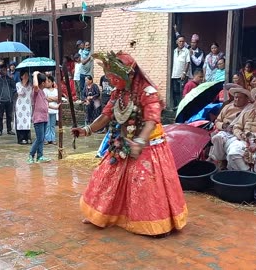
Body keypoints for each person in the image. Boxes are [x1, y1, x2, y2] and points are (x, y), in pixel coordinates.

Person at [71, 51, 188, 236]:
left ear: (129, 74)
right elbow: (106, 115)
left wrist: (140, 142)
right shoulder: (118, 93)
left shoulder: (148, 92)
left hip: (149, 145)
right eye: (109, 77)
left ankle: (155, 223)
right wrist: (86, 130)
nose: (111, 81)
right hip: (123, 142)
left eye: (114, 77)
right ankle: (101, 214)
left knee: (144, 183)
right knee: (104, 177)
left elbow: (151, 120)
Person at [209, 87, 252, 168]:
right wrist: (224, 126)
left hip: (239, 134)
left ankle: (224, 163)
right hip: (225, 131)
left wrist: (238, 130)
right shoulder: (227, 107)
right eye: (236, 97)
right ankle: (221, 160)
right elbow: (217, 121)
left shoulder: (250, 109)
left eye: (240, 97)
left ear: (246, 99)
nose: (237, 99)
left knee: (233, 149)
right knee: (216, 138)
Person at [28, 71, 50, 164]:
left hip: (44, 118)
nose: (48, 82)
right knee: (39, 138)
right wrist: (35, 74)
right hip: (38, 119)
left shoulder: (43, 92)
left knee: (42, 138)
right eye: (46, 81)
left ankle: (40, 156)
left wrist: (55, 106)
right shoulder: (35, 91)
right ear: (43, 83)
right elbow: (36, 85)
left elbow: (45, 103)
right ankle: (31, 155)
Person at [0, 64, 16, 136]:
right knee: (0, 116)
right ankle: (0, 130)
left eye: (5, 70)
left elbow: (13, 86)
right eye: (3, 70)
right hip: (1, 100)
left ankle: (9, 129)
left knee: (9, 115)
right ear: (0, 70)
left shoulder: (9, 78)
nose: (4, 71)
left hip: (9, 100)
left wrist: (11, 78)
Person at [171, 35, 190, 107]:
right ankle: (176, 107)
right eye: (180, 41)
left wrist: (184, 73)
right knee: (175, 92)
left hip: (182, 75)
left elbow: (188, 62)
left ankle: (181, 107)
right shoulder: (174, 51)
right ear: (177, 42)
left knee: (182, 92)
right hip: (174, 75)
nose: (181, 43)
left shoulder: (186, 51)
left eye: (183, 41)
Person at [16, 70, 33, 144]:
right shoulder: (18, 84)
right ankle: (21, 138)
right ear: (21, 76)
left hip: (28, 105)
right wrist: (24, 84)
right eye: (24, 75)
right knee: (20, 122)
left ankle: (28, 137)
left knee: (27, 121)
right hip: (20, 105)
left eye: (27, 75)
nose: (26, 77)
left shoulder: (31, 85)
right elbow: (20, 93)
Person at [44, 75, 58, 144]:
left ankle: (52, 138)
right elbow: (45, 99)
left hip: (54, 110)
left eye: (49, 81)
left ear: (52, 83)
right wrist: (53, 98)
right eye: (47, 81)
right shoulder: (44, 90)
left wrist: (49, 98)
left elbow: (57, 98)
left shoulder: (56, 90)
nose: (47, 83)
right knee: (47, 125)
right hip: (47, 110)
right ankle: (46, 139)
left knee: (52, 125)